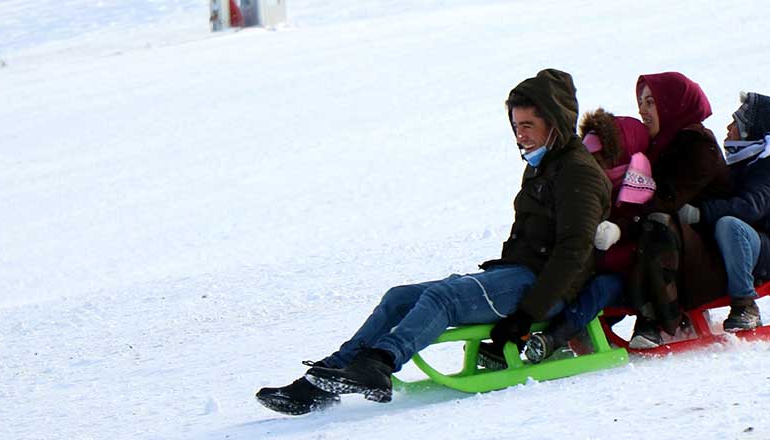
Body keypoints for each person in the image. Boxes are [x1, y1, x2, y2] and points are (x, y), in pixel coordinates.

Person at [255, 68, 611, 415]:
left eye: (528, 126)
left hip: (544, 289)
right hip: (517, 275)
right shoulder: (543, 164)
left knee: (444, 298)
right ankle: (324, 380)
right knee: (399, 298)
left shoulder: (577, 173)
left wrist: (526, 315)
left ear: (556, 123)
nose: (520, 136)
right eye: (516, 126)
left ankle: (380, 363)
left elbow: (573, 252)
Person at [523, 108, 654, 362]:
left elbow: (646, 237)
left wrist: (615, 238)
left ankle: (555, 336)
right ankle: (527, 335)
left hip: (633, 279)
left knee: (601, 287)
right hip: (596, 267)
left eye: (598, 157)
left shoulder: (641, 190)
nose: (591, 165)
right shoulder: (589, 186)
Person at [678, 92, 770, 332]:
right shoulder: (745, 163)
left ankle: (745, 305)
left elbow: (749, 207)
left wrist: (700, 213)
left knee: (729, 224)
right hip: (749, 243)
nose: (728, 128)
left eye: (736, 123)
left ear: (751, 131)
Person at [623, 72, 733, 348]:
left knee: (656, 222)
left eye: (651, 102)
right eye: (641, 102)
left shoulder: (698, 144)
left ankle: (656, 320)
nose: (642, 110)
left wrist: (627, 221)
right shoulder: (660, 146)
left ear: (673, 104)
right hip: (681, 246)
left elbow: (668, 199)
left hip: (707, 253)